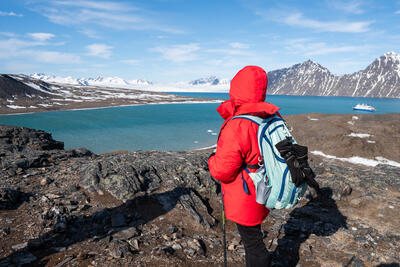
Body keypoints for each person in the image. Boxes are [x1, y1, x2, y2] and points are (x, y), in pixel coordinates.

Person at [208, 65, 280, 267]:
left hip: (246, 193)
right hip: (264, 185)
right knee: (254, 237)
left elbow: (222, 170)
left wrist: (211, 160)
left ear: (237, 88)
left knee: (252, 243)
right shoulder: (271, 116)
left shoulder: (238, 124)